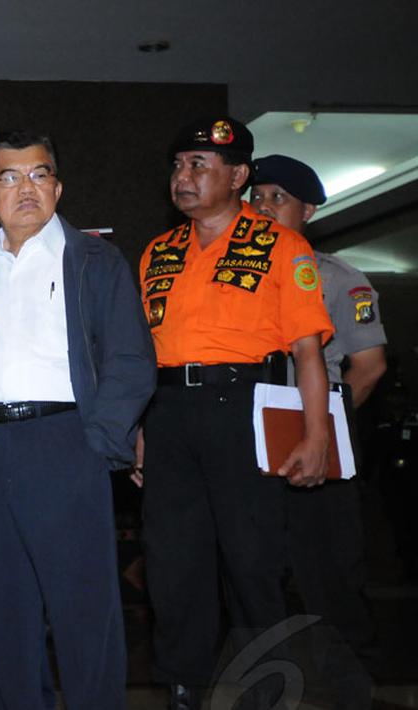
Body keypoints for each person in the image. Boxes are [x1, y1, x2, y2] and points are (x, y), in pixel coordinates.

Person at [0, 129, 156, 710]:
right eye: (8, 177)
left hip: (65, 446)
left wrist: (97, 443)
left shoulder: (94, 259)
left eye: (38, 175)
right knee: (2, 615)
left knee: (84, 612)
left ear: (57, 188)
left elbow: (133, 359)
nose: (25, 188)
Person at [138, 118, 333, 709]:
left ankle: (269, 689)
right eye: (178, 165)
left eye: (200, 164)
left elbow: (307, 352)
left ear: (239, 176)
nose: (184, 176)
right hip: (169, 413)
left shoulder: (280, 246)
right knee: (173, 566)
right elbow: (143, 354)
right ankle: (183, 689)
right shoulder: (158, 251)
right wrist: (141, 429)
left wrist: (316, 434)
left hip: (244, 411)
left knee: (253, 564)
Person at [250, 154, 384, 706]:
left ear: (308, 210)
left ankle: (349, 683)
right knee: (259, 563)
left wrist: (319, 429)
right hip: (250, 431)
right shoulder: (239, 276)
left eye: (277, 199)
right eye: (255, 197)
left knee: (327, 564)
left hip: (317, 429)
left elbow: (369, 366)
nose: (262, 208)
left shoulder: (338, 279)